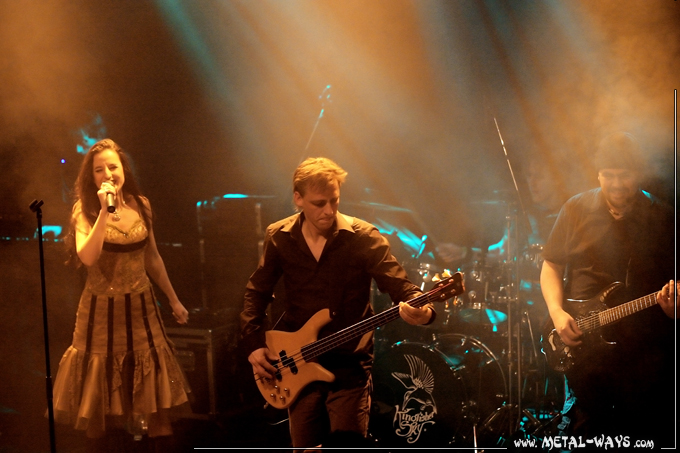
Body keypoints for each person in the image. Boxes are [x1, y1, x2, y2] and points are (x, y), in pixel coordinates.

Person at [240, 157, 435, 450]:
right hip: (297, 362)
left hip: (349, 367)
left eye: (334, 201)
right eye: (319, 203)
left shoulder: (364, 238)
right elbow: (256, 291)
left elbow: (402, 287)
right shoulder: (279, 236)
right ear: (298, 198)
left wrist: (424, 311)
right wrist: (254, 343)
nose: (328, 211)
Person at [51, 139, 191, 452]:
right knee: (99, 404)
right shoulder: (84, 211)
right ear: (91, 177)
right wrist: (103, 211)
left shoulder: (142, 205)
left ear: (123, 169)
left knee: (154, 400)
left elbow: (152, 258)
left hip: (141, 311)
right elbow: (87, 257)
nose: (107, 173)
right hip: (100, 315)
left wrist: (173, 299)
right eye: (99, 169)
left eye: (112, 166)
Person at [540, 132, 678, 448]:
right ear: (599, 174)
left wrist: (674, 310)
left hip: (644, 351)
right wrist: (557, 312)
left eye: (624, 176)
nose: (617, 184)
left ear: (638, 174)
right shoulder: (575, 209)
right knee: (584, 433)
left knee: (644, 433)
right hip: (584, 346)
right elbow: (551, 265)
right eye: (609, 176)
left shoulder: (663, 217)